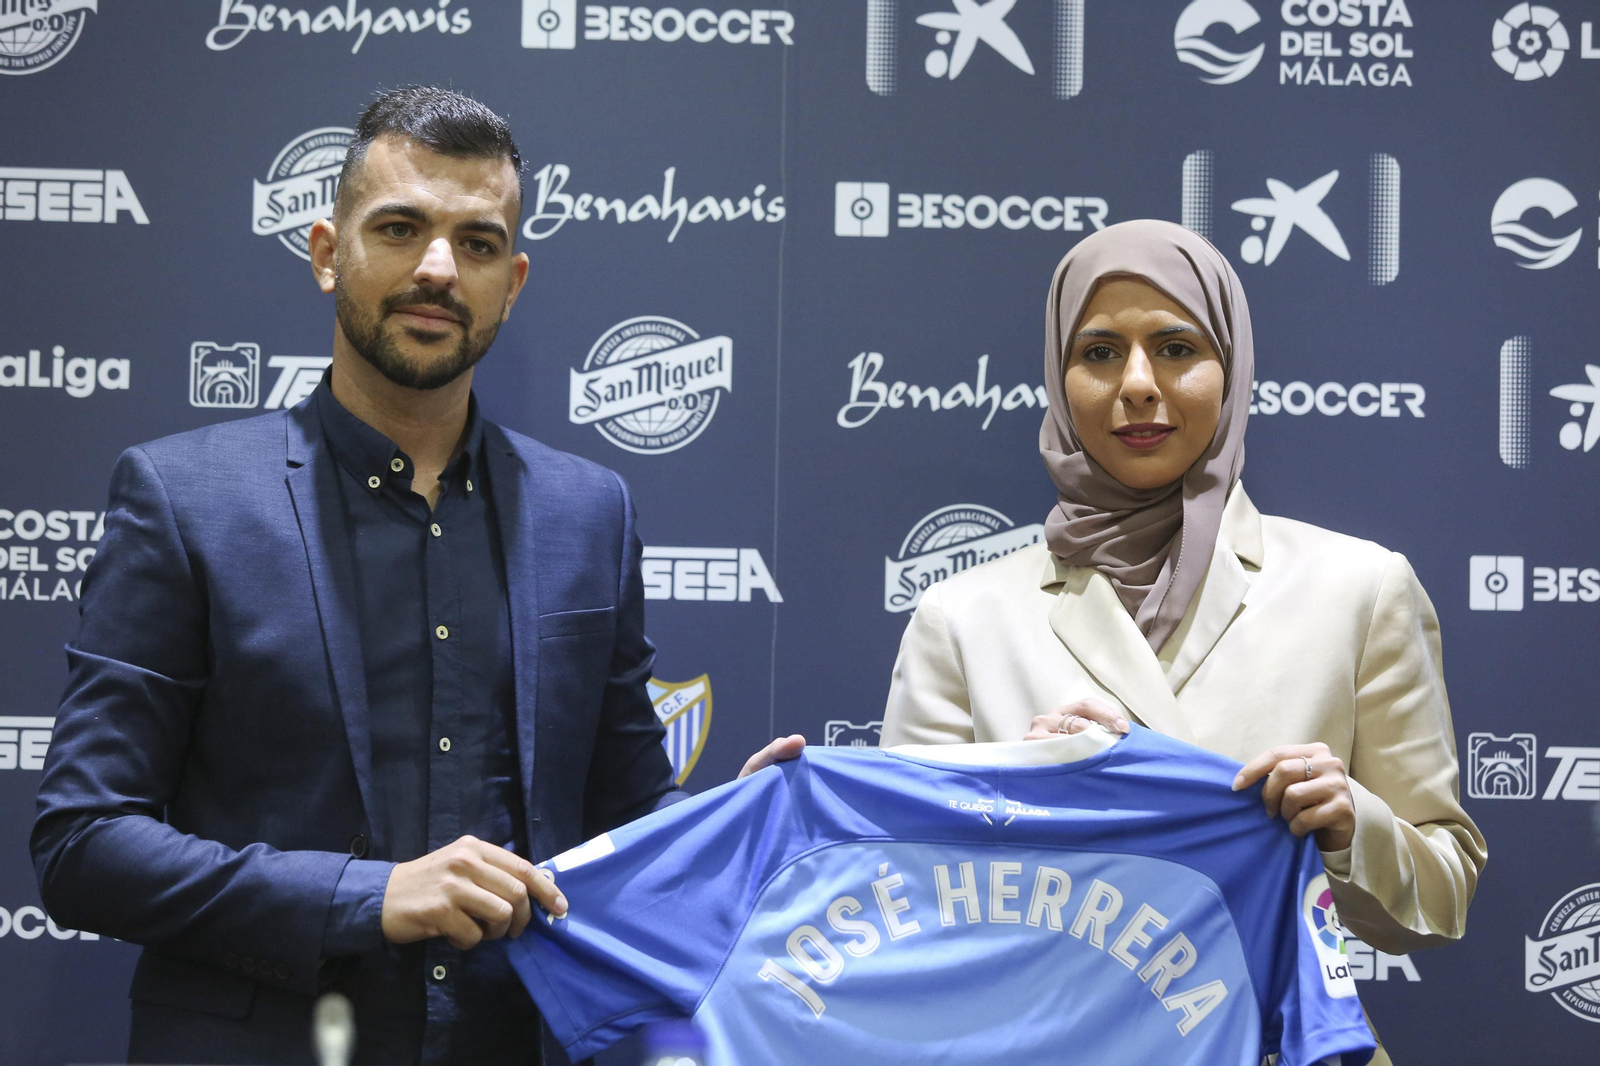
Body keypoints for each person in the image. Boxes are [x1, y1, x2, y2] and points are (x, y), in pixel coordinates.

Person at [28, 86, 787, 1066]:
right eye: (400, 228)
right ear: (325, 250)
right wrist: (368, 895)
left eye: (476, 244)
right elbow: (84, 844)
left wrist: (737, 825)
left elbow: (626, 816)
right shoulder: (185, 498)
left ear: (511, 283)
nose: (437, 268)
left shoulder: (587, 511)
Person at [880, 219, 1486, 1065]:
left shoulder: (1358, 588)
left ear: (1230, 370)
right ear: (1058, 376)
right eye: (1098, 352)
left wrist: (1353, 826)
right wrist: (1017, 814)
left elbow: (1443, 899)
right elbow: (905, 914)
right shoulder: (963, 617)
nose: (1136, 384)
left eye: (1174, 347)